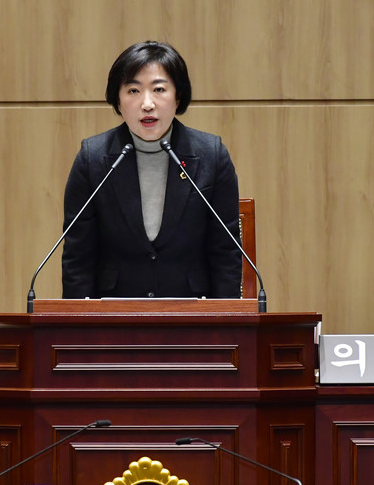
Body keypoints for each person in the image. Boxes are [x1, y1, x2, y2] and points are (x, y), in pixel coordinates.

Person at [61, 41, 241, 299]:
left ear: (178, 97)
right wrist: (78, 322)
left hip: (192, 311)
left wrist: (226, 320)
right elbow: (78, 257)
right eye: (133, 90)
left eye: (159, 89)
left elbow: (226, 253)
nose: (147, 103)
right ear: (118, 100)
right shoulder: (93, 159)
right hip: (113, 312)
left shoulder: (211, 155)